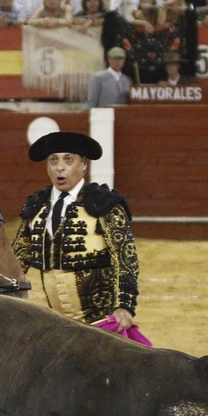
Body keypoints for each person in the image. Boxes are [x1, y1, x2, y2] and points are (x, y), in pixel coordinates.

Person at [13, 130, 140, 333]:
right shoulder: (37, 206)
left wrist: (124, 306)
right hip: (58, 326)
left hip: (101, 325)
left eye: (68, 160)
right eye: (53, 161)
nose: (60, 167)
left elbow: (125, 258)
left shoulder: (103, 204)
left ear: (84, 164)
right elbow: (17, 261)